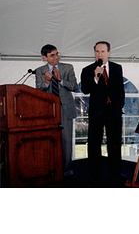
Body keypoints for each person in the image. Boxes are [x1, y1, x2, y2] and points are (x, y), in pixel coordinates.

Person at [80, 41, 125, 186]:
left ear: (109, 53)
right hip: (97, 112)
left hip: (113, 112)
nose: (100, 54)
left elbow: (120, 90)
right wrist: (95, 78)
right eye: (97, 51)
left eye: (102, 51)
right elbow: (85, 89)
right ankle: (95, 175)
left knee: (114, 143)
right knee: (94, 144)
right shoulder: (87, 70)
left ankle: (116, 174)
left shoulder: (117, 68)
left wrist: (119, 106)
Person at [35, 44, 78, 185]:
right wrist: (47, 82)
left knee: (66, 142)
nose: (56, 57)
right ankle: (51, 171)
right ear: (44, 57)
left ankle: (67, 173)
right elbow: (39, 91)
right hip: (48, 112)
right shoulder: (39, 71)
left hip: (65, 110)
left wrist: (60, 80)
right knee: (49, 142)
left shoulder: (68, 68)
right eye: (52, 55)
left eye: (57, 54)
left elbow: (74, 86)